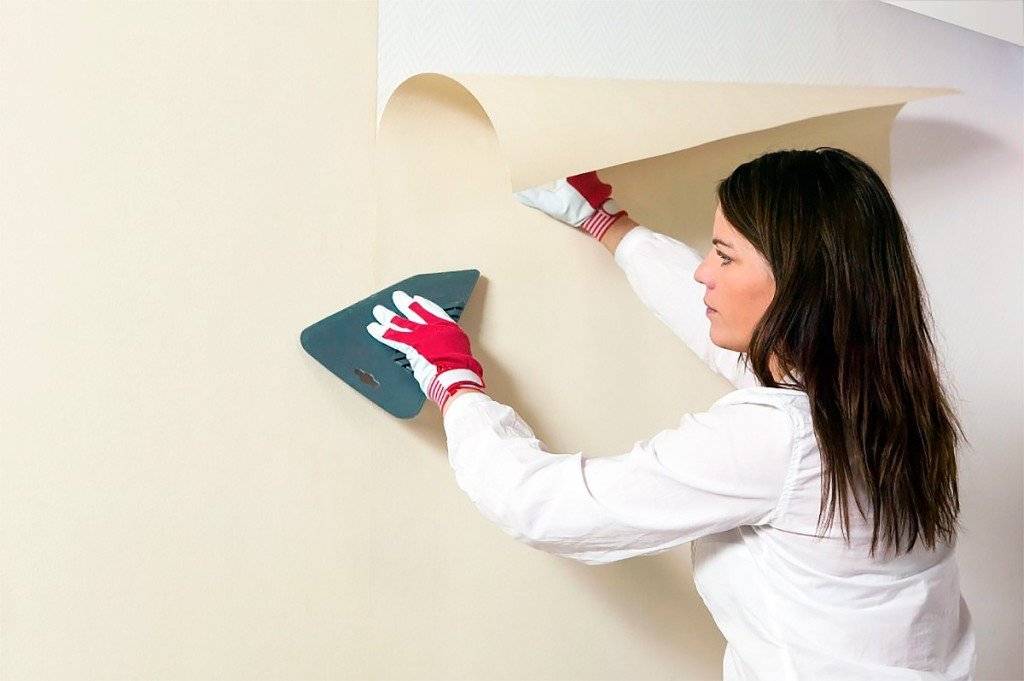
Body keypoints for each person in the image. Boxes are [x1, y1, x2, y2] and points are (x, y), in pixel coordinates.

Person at [365, 147, 977, 680]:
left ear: (796, 285)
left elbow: (546, 508)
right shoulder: (889, 399)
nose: (703, 272)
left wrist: (454, 382)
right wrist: (608, 224)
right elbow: (730, 340)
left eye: (725, 256)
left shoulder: (779, 438)